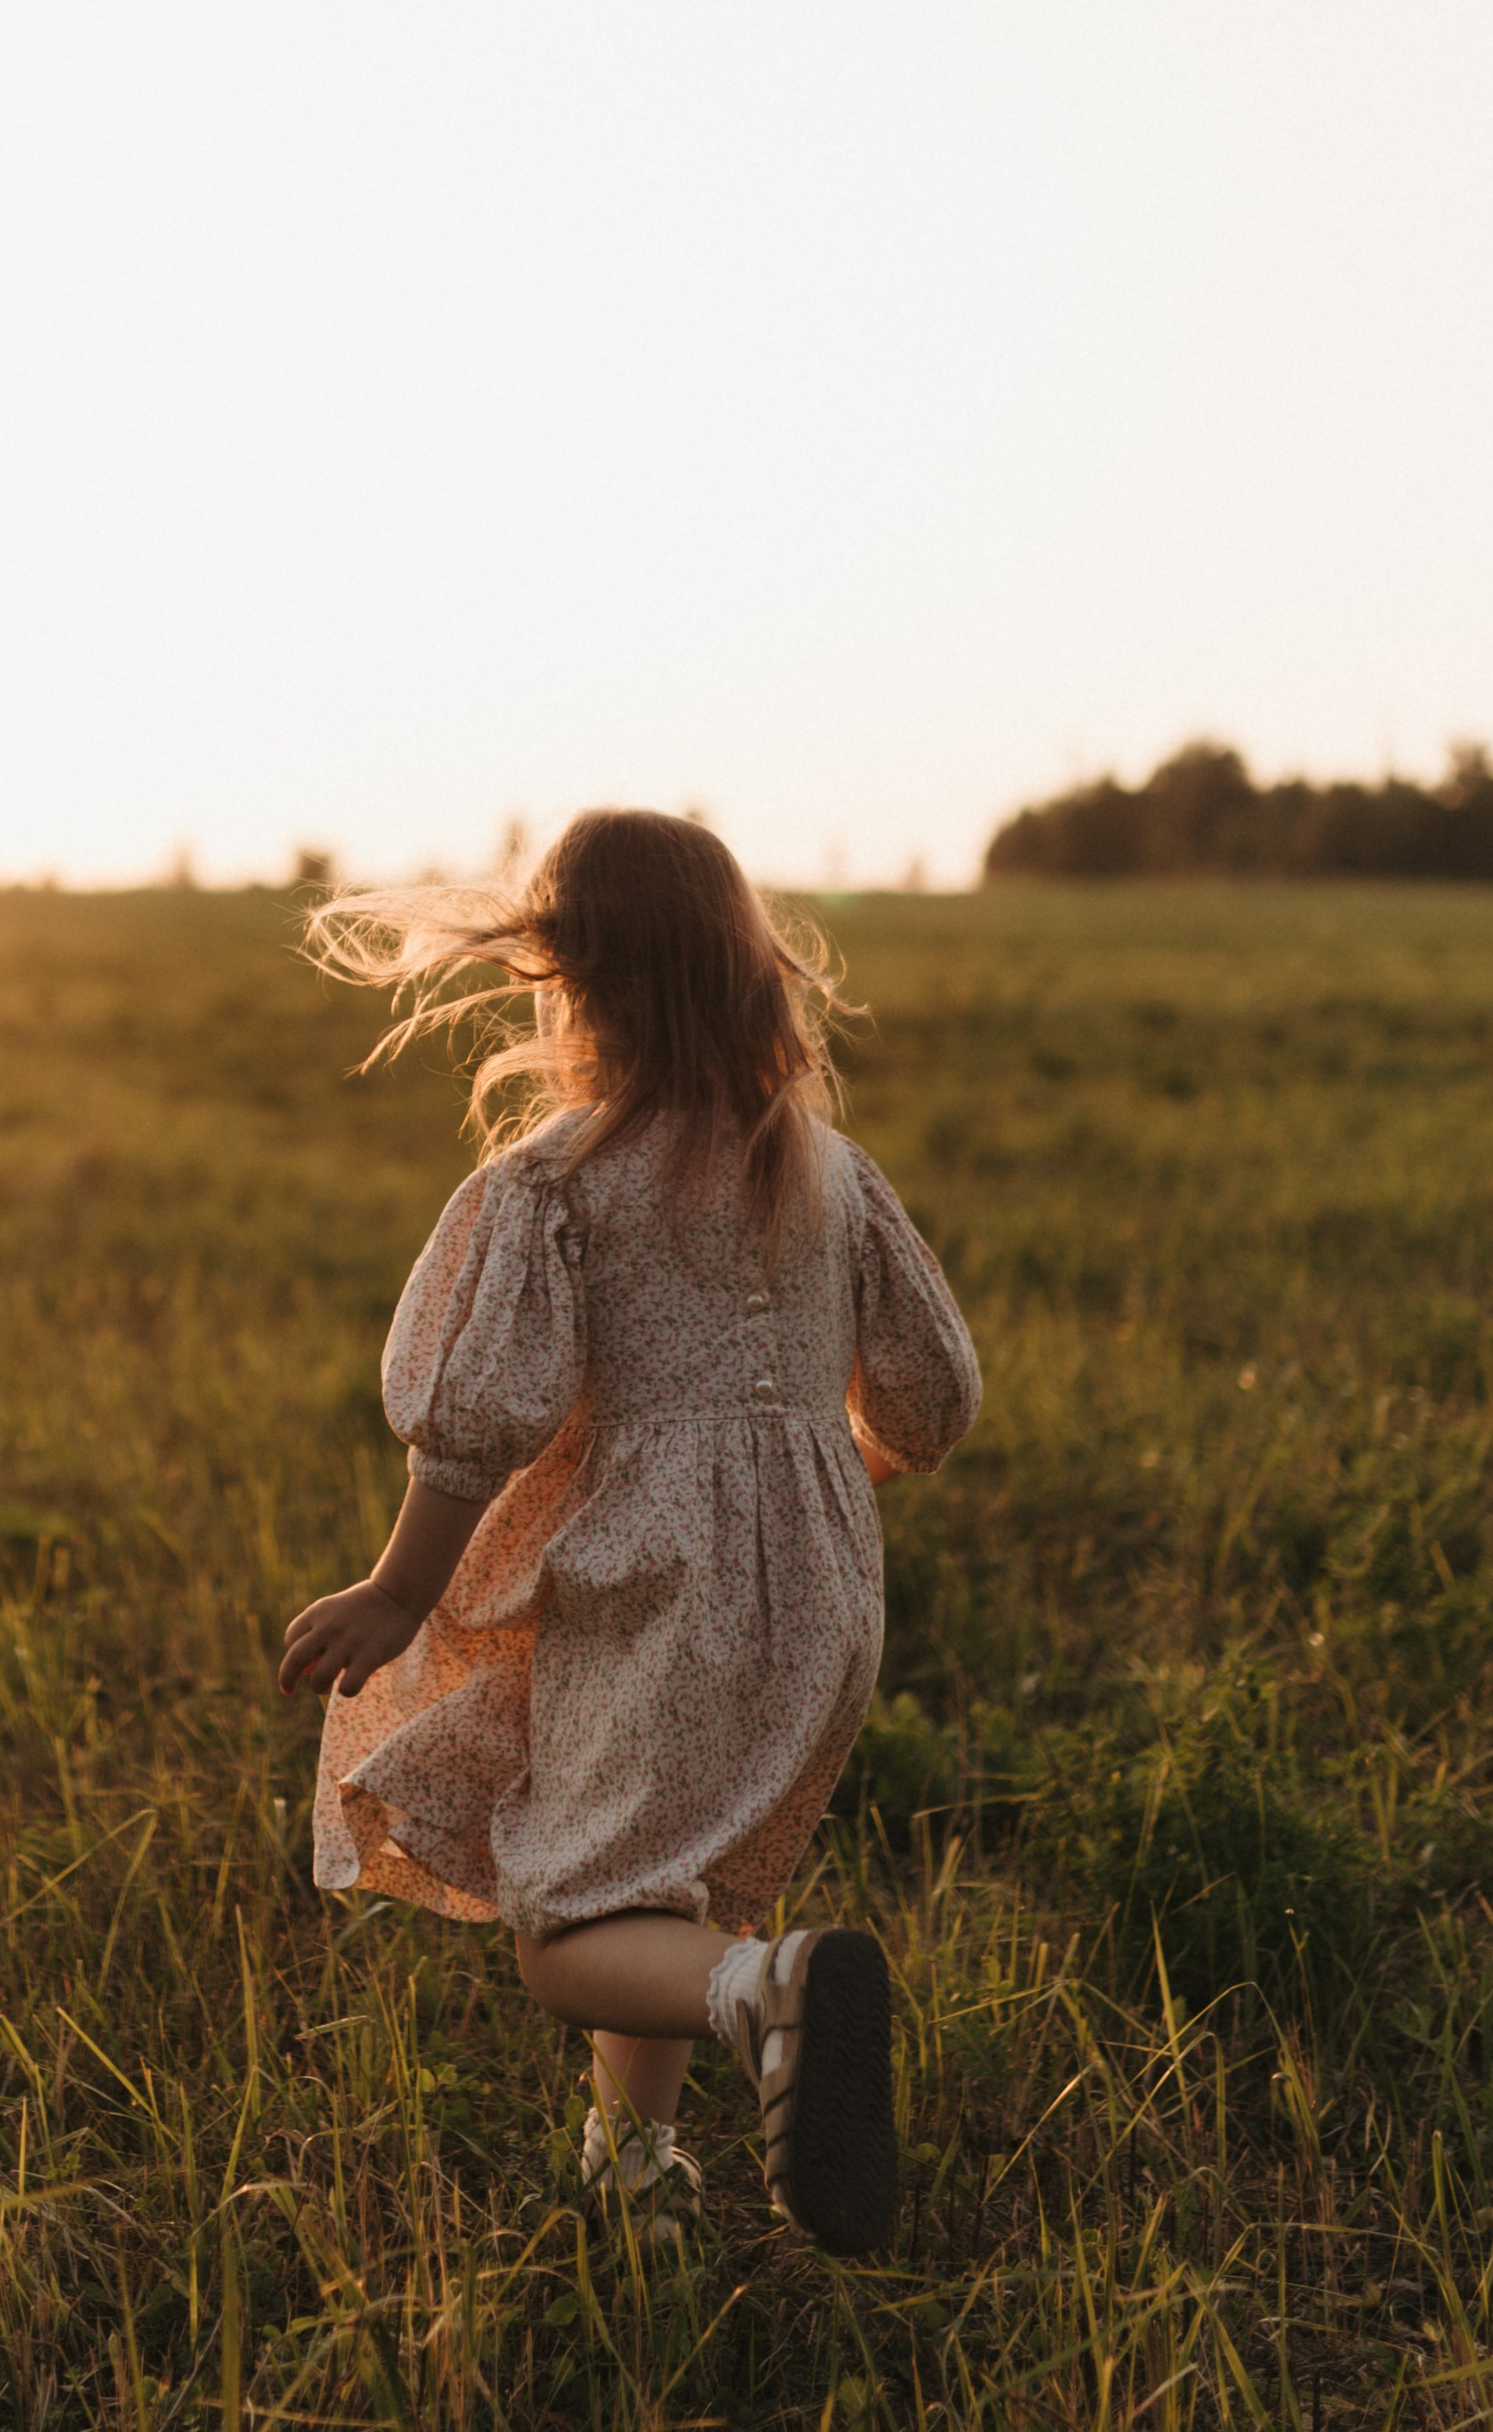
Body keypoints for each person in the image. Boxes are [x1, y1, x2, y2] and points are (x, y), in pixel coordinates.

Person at [278, 810, 980, 2256]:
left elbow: (477, 1416)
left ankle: (763, 1993)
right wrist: (821, 1475)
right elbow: (933, 1395)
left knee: (569, 1932)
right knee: (660, 1876)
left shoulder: (553, 1185)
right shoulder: (829, 1171)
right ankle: (638, 2165)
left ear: (571, 980)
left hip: (653, 1591)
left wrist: (399, 1591)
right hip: (826, 1595)